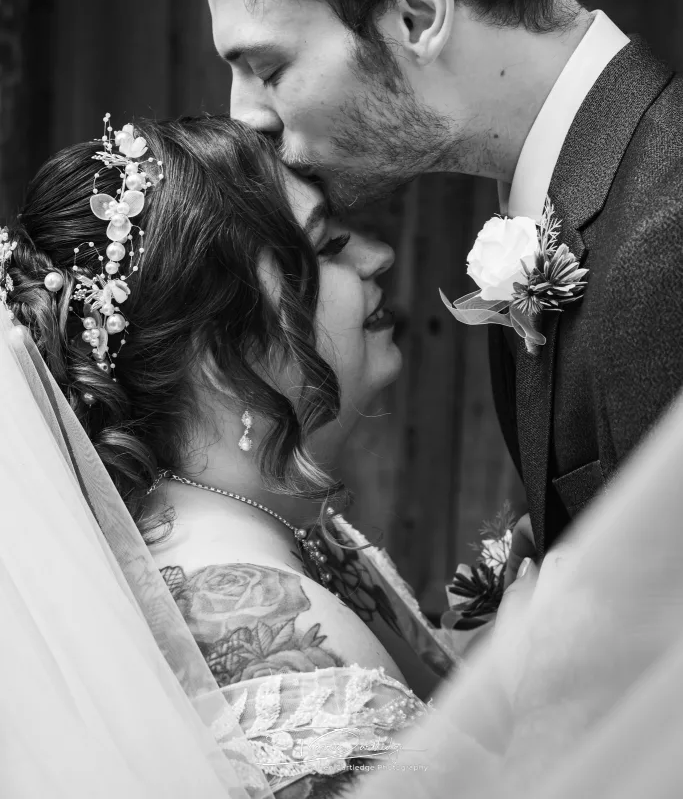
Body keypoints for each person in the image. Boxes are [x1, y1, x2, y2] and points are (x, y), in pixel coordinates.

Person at [188, 0, 683, 568]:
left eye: (269, 67)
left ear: (417, 14)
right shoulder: (575, 195)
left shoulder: (666, 235)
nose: (243, 116)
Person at [3, 113, 455, 795]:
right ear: (224, 354)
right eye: (328, 245)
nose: (377, 255)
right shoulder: (276, 656)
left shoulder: (241, 532)